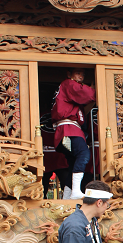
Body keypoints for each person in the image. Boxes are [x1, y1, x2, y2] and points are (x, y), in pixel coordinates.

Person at [52, 68, 96, 199]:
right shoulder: (69, 84)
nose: (81, 77)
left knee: (73, 163)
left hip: (66, 130)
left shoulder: (65, 91)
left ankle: (67, 195)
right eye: (78, 73)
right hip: (69, 128)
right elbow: (88, 94)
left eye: (83, 74)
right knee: (83, 154)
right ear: (69, 74)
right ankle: (76, 191)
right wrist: (95, 88)